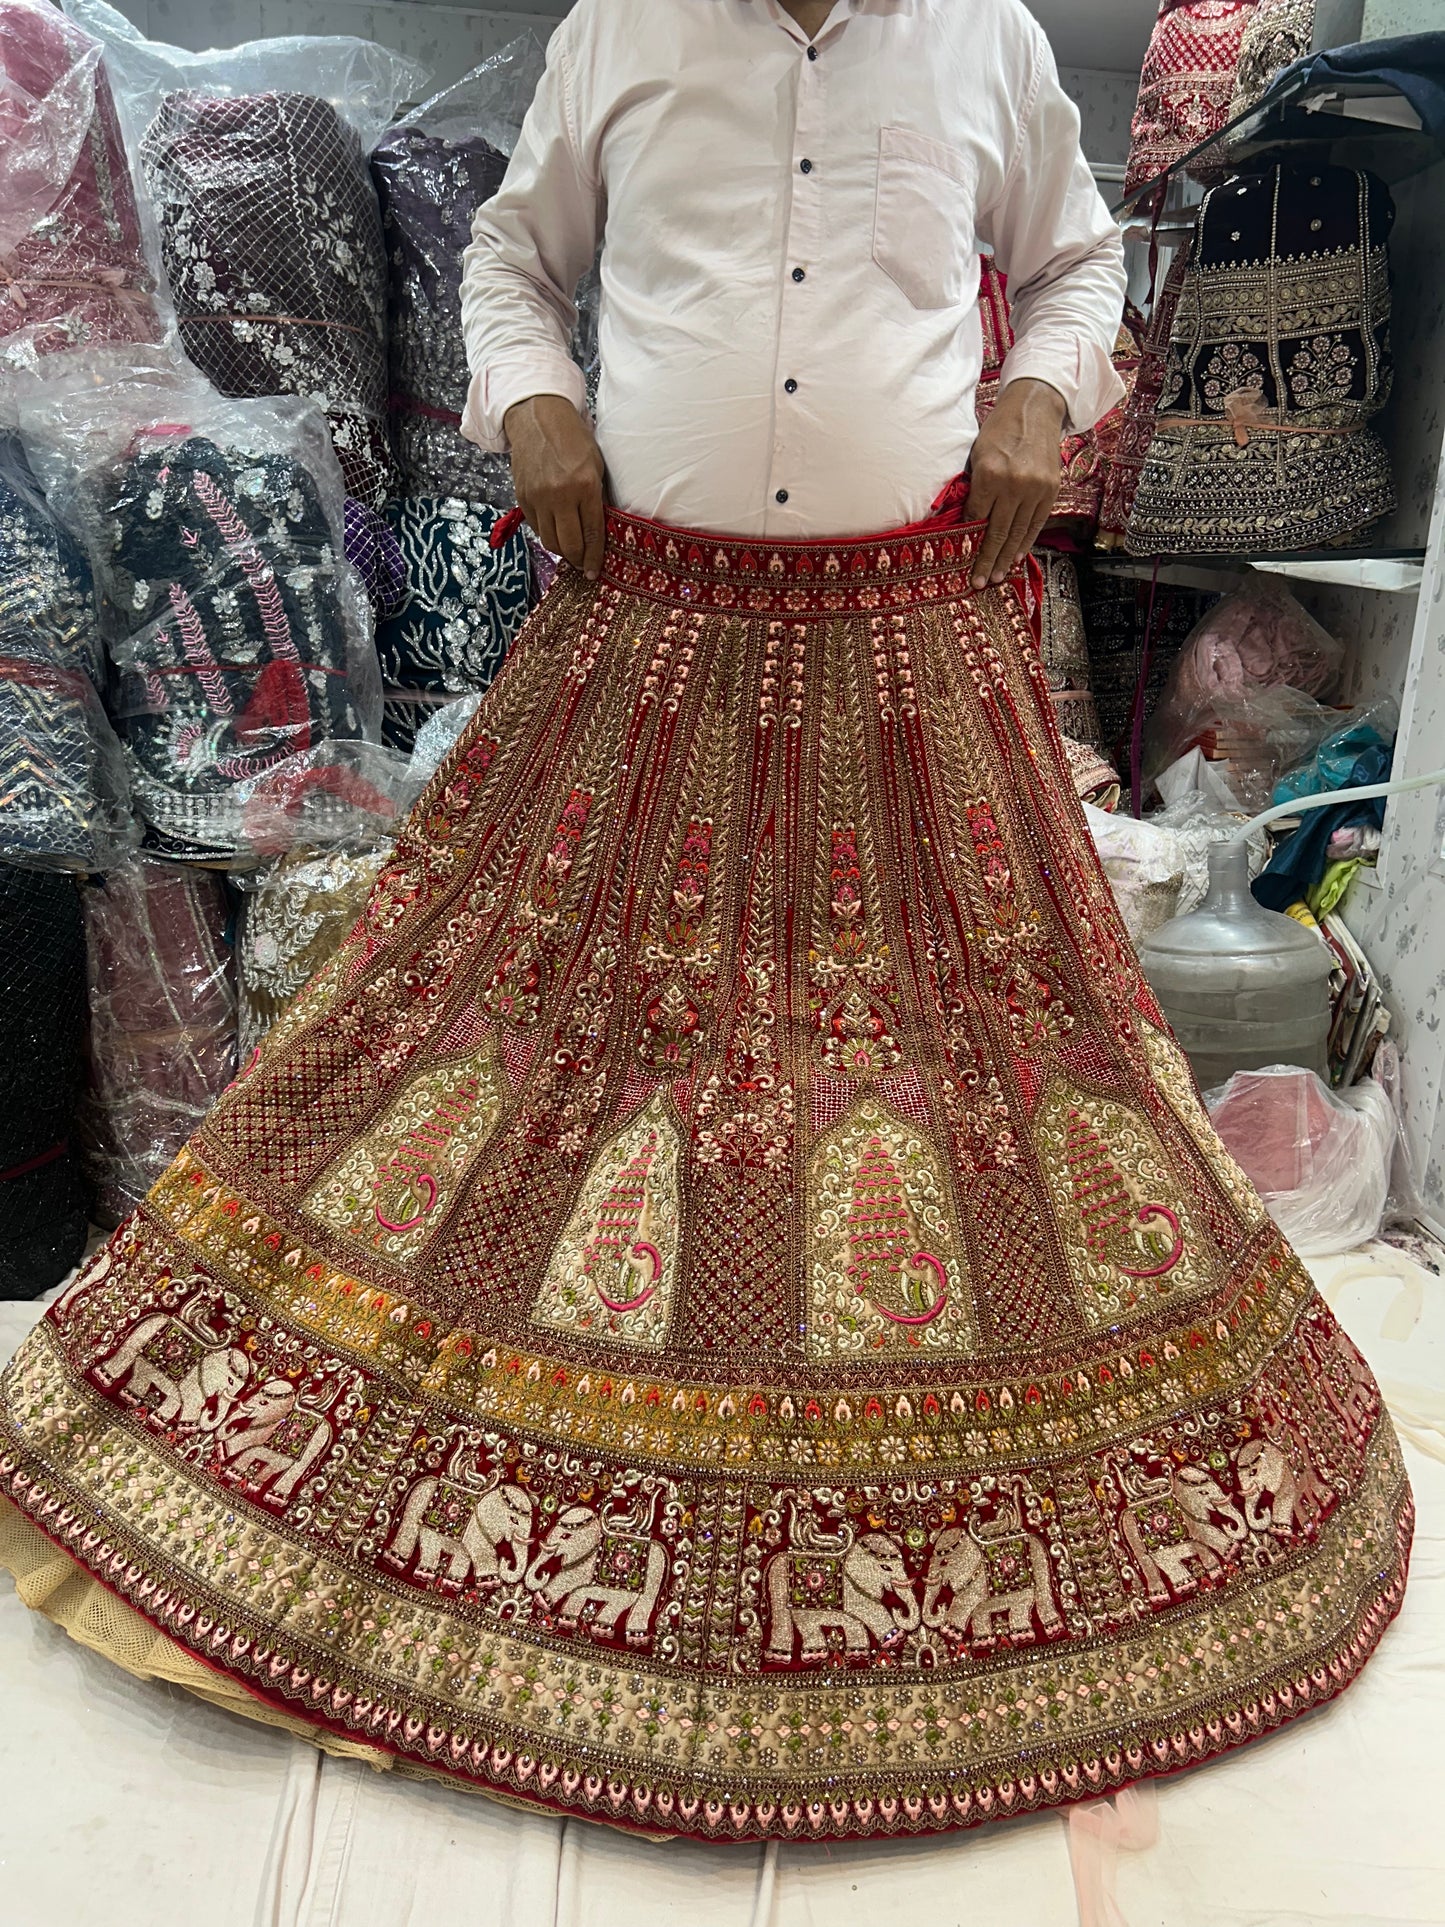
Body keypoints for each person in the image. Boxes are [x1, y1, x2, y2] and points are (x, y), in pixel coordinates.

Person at [0, 0, 1410, 1850]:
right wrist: (536, 407)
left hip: (909, 647)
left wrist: (1033, 394)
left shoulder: (982, 37)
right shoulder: (629, 30)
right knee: (500, 1034)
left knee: (971, 1057)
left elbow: (1074, 265)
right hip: (643, 633)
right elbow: (513, 254)